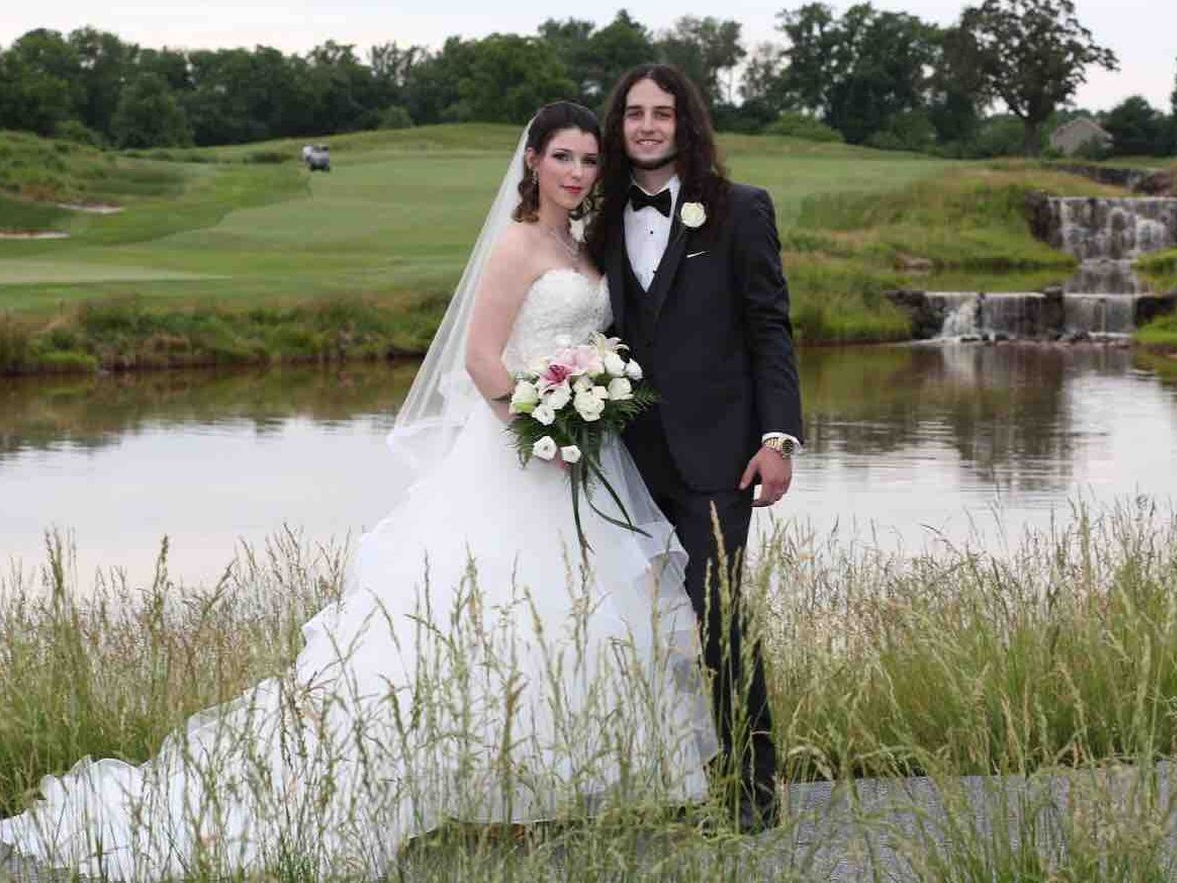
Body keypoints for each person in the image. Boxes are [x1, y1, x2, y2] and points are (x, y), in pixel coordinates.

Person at [0, 102, 718, 881]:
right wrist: (540, 429)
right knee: (495, 608)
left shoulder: (579, 243)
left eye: (588, 160)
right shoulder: (516, 244)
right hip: (525, 452)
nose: (576, 173)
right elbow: (481, 358)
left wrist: (589, 404)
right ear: (533, 162)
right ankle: (463, 791)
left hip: (583, 451)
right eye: (563, 158)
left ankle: (547, 790)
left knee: (577, 609)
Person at [589, 64, 805, 833]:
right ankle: (670, 782)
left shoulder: (741, 208)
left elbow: (770, 326)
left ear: (686, 124)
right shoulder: (598, 217)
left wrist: (778, 438)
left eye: (663, 113)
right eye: (634, 113)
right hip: (622, 463)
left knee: (718, 619)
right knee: (642, 628)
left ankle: (755, 792)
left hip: (721, 457)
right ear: (618, 126)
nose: (648, 126)